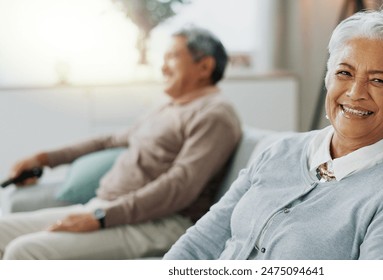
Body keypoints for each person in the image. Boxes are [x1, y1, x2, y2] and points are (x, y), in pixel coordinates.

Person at [164, 9, 383, 260]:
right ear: (327, 78)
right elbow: (200, 243)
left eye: (378, 80)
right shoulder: (279, 151)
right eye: (344, 73)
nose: (355, 93)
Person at [0, 26, 242, 259]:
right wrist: (44, 158)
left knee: (24, 251)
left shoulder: (215, 115)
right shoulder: (168, 107)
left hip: (158, 222)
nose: (163, 67)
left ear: (204, 66)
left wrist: (102, 217)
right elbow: (108, 141)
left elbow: (179, 185)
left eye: (172, 57)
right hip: (108, 209)